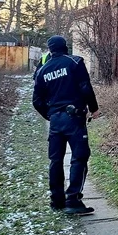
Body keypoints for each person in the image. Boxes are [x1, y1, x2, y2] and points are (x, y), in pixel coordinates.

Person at [32, 35, 100, 215]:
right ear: (65, 47)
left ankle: (57, 200)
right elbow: (85, 87)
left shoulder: (42, 71)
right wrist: (94, 108)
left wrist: (50, 115)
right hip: (74, 118)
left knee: (55, 160)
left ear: (50, 50)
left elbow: (37, 100)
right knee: (80, 156)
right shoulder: (75, 63)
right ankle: (73, 199)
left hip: (55, 120)